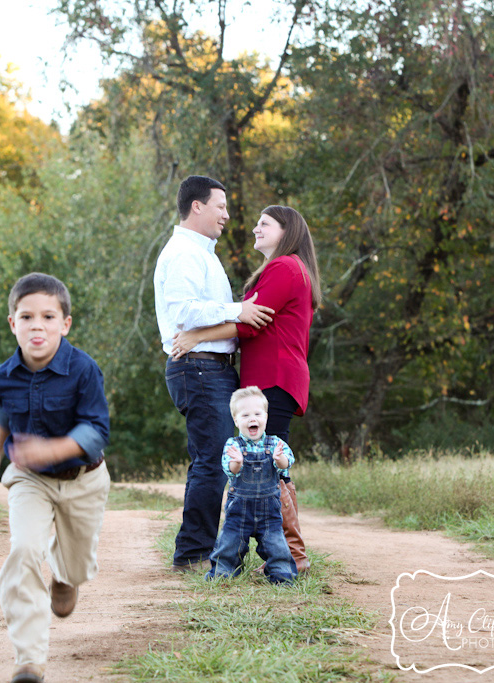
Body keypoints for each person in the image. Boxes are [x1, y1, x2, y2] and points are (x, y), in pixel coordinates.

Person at [0, 273, 111, 683]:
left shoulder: (84, 370)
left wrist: (51, 448)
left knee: (78, 564)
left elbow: (95, 431)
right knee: (25, 550)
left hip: (84, 479)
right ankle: (29, 660)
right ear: (12, 323)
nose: (37, 325)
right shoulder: (3, 376)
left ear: (65, 324)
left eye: (48, 316)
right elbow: (4, 417)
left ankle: (66, 577)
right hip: (29, 479)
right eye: (26, 316)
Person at [171, 205, 321, 572]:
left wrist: (196, 337)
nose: (255, 228)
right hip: (273, 376)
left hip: (275, 376)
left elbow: (252, 323)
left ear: (287, 231)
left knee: (272, 466)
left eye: (264, 224)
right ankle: (285, 554)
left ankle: (292, 557)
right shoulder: (282, 268)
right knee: (266, 465)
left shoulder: (285, 268)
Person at [153, 175, 274, 573]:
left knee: (213, 458)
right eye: (220, 206)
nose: (227, 214)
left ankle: (198, 548)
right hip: (199, 368)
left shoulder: (203, 253)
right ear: (197, 206)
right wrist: (237, 309)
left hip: (209, 367)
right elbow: (184, 311)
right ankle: (192, 553)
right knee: (212, 460)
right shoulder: (185, 253)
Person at [206, 386, 298, 584]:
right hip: (239, 510)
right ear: (236, 420)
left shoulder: (276, 444)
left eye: (257, 413)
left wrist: (279, 459)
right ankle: (223, 574)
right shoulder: (233, 445)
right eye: (245, 415)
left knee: (277, 545)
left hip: (270, 512)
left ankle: (282, 576)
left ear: (266, 416)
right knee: (229, 544)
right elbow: (231, 470)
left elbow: (286, 466)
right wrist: (237, 462)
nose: (252, 418)